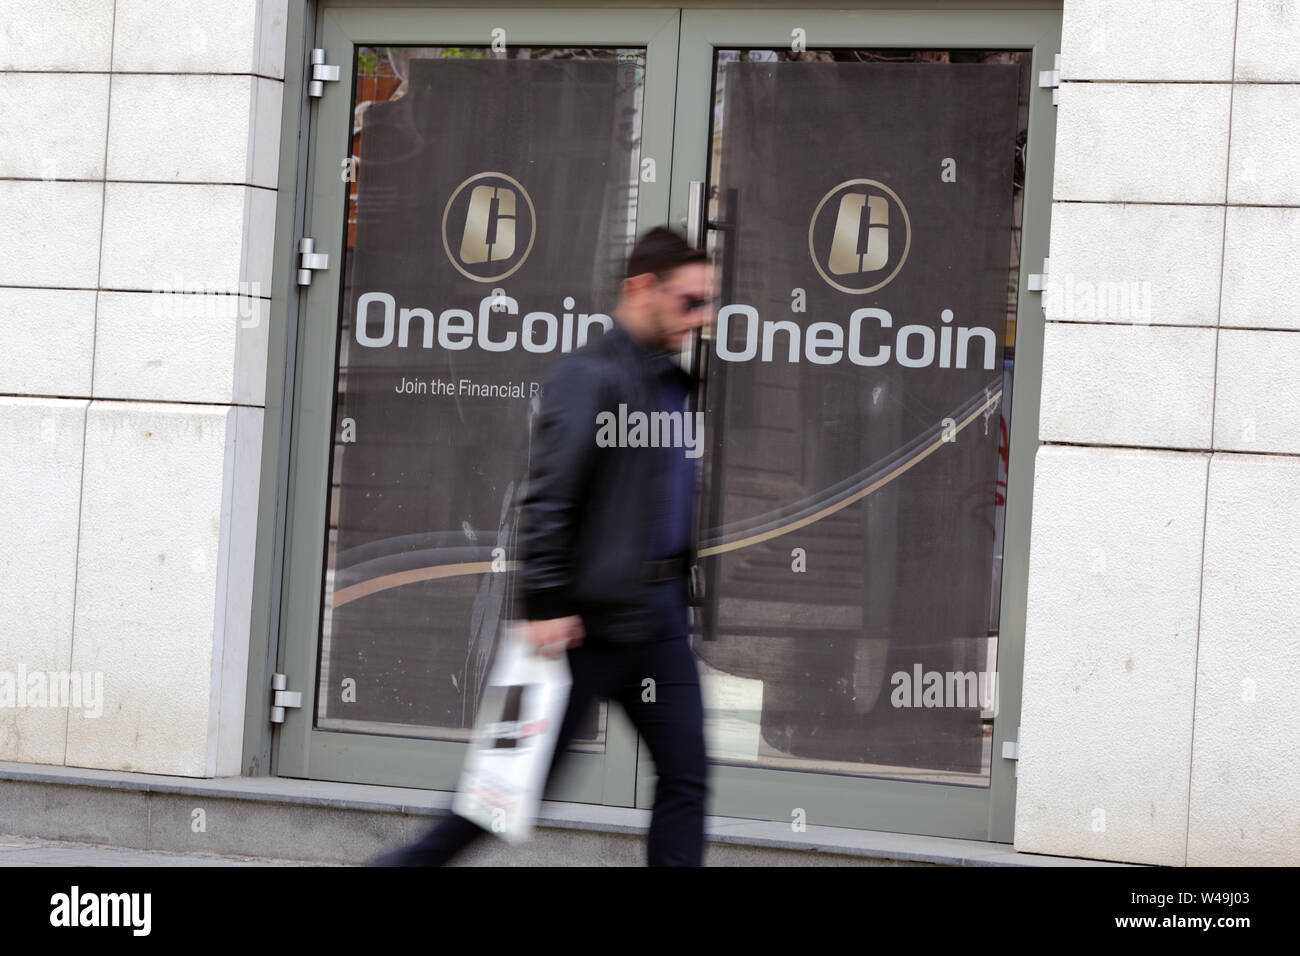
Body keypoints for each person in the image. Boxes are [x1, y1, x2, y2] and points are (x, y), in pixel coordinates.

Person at [371, 226, 715, 866]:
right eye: (691, 301)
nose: (704, 317)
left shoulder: (669, 383)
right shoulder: (587, 377)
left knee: (688, 779)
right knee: (497, 799)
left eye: (707, 302)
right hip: (582, 630)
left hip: (660, 623)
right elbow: (548, 499)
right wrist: (547, 603)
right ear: (642, 289)